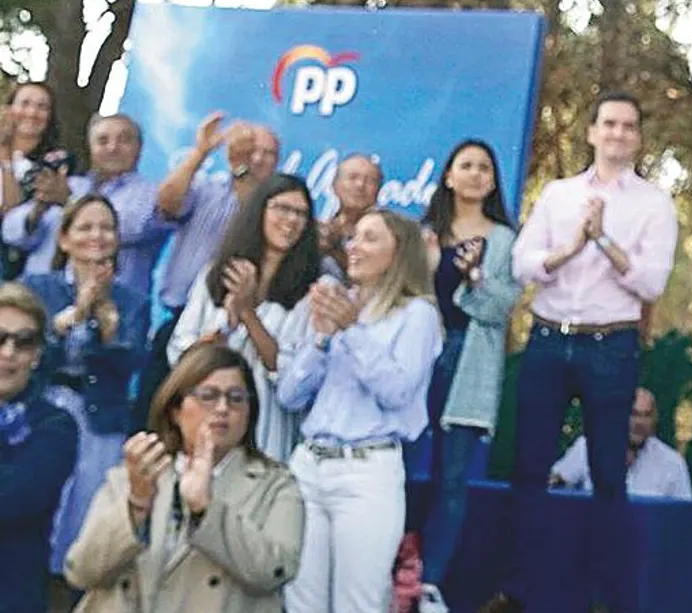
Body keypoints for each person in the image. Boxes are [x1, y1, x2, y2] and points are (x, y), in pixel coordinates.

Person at [490, 92, 677, 613]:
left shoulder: (653, 204)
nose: (618, 133)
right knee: (529, 468)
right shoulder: (557, 195)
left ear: (637, 139)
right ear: (592, 132)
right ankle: (518, 591)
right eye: (609, 124)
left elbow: (652, 282)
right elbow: (524, 264)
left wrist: (603, 241)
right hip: (550, 337)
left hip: (609, 344)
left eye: (629, 126)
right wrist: (570, 246)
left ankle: (607, 598)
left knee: (608, 475)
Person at [278, 208, 442, 613]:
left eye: (370, 238)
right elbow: (289, 395)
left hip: (366, 471)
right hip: (309, 464)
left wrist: (353, 331)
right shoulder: (340, 306)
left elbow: (398, 392)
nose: (354, 247)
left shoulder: (417, 315)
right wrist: (320, 339)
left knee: (359, 604)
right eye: (354, 237)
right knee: (301, 602)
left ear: (398, 252)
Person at [63, 342, 305, 613]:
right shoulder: (132, 475)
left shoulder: (275, 484)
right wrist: (137, 505)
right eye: (208, 395)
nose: (223, 408)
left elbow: (274, 570)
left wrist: (207, 510)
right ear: (175, 410)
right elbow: (81, 571)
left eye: (237, 397)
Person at [412, 139, 522, 601]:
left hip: (467, 359)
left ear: (493, 180)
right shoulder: (424, 233)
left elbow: (501, 308)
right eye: (466, 165)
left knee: (452, 478)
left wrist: (476, 276)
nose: (475, 174)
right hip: (418, 357)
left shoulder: (503, 240)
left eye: (484, 168)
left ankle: (429, 582)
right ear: (449, 176)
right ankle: (389, 569)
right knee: (396, 462)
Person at [23, 195, 150, 573]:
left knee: (85, 523)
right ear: (64, 239)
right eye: (86, 227)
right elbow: (23, 356)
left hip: (100, 421)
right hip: (42, 410)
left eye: (107, 227)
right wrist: (73, 316)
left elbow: (131, 368)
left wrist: (109, 333)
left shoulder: (134, 301)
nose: (97, 235)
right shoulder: (37, 288)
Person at [168, 175, 325, 461]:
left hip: (269, 424)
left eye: (301, 213)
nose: (291, 220)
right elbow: (180, 351)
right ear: (259, 211)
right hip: (211, 416)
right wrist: (222, 330)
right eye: (282, 208)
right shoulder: (216, 273)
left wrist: (247, 313)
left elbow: (291, 377)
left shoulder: (312, 290)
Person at [2, 115, 172, 292]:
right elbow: (10, 232)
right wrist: (38, 210)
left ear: (139, 148)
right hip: (38, 297)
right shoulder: (72, 183)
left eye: (123, 140)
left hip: (109, 306)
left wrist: (69, 200)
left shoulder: (151, 194)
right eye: (102, 141)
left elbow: (133, 228)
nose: (112, 148)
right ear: (90, 148)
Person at [0, 282, 79, 613]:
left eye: (23, 342)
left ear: (36, 356)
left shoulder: (55, 425)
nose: (8, 353)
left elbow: (14, 498)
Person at [155, 112, 282, 314]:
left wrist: (240, 168)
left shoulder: (278, 205)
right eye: (251, 149)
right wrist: (200, 152)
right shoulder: (206, 186)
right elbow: (166, 204)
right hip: (178, 309)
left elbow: (253, 217)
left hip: (229, 318)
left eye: (268, 153)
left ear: (277, 162)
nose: (257, 158)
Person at [547, 388, 692, 500]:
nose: (640, 422)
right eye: (634, 414)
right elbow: (554, 486)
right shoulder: (588, 447)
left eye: (646, 416)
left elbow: (685, 517)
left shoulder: (673, 463)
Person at [0, 80, 63, 216]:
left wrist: (6, 158)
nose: (32, 113)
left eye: (42, 107)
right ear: (8, 109)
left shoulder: (53, 164)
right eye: (25, 104)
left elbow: (14, 216)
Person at [317, 154, 383, 267]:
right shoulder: (319, 233)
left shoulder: (387, 238)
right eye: (353, 178)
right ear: (335, 185)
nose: (360, 185)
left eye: (370, 181)